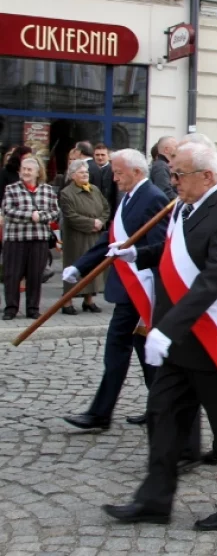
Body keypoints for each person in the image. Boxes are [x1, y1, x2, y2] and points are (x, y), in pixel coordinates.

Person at [102, 142, 217, 530]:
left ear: (207, 176)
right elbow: (175, 250)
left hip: (211, 336)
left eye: (179, 174)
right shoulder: (186, 205)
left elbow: (214, 279)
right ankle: (154, 500)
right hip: (179, 341)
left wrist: (166, 329)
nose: (172, 181)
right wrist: (136, 255)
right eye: (171, 173)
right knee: (162, 415)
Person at [61, 149, 169, 429]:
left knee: (116, 348)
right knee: (145, 352)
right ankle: (160, 408)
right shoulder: (129, 196)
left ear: (136, 171)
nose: (115, 178)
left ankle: (100, 414)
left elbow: (160, 249)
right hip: (128, 287)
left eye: (119, 172)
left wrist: (156, 295)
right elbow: (111, 239)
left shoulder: (154, 198)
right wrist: (80, 266)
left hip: (141, 288)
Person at [2, 157, 58, 320]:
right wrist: (29, 216)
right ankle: (11, 308)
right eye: (23, 169)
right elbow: (8, 210)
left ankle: (33, 308)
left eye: (29, 170)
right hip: (16, 239)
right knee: (12, 275)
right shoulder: (11, 189)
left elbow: (55, 212)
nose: (25, 172)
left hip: (39, 239)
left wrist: (40, 216)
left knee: (35, 275)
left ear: (37, 172)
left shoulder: (47, 190)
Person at [58, 160, 110, 315]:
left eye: (86, 172)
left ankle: (89, 300)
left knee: (93, 267)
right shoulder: (66, 193)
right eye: (81, 172)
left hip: (95, 235)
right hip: (76, 238)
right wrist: (91, 223)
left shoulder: (94, 189)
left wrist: (101, 221)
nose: (85, 175)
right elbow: (71, 216)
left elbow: (106, 208)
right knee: (74, 267)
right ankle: (67, 301)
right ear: (73, 175)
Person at [93, 143, 118, 222]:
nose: (100, 157)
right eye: (97, 155)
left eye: (103, 155)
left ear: (108, 156)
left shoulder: (113, 171)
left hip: (108, 214)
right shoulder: (89, 170)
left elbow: (115, 195)